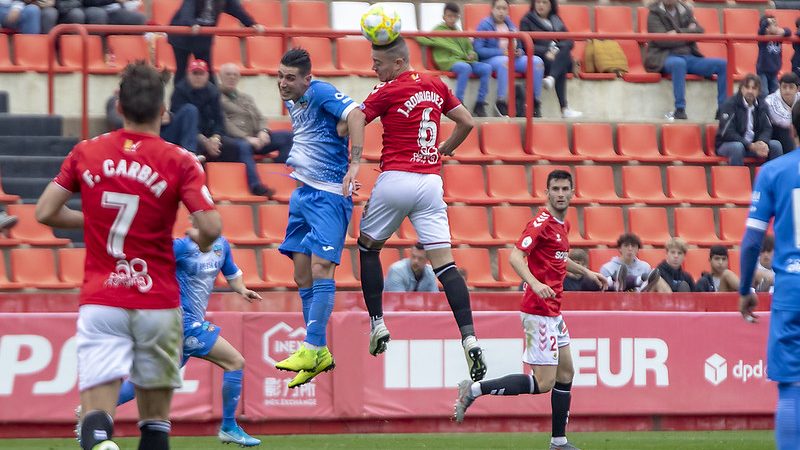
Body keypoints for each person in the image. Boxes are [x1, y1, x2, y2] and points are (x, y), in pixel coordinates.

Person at [35, 61, 221, 450]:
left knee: (96, 416)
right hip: (157, 303)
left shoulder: (86, 152)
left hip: (103, 299)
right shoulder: (181, 160)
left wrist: (94, 222)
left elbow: (45, 212)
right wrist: (203, 245)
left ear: (118, 106)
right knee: (155, 425)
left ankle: (102, 444)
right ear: (163, 111)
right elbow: (210, 229)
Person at [354, 37, 488, 383]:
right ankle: (469, 336)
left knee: (368, 248)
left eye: (378, 63)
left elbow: (354, 121)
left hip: (396, 178)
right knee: (446, 266)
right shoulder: (436, 85)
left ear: (397, 64)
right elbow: (468, 122)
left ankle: (377, 324)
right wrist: (444, 149)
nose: (374, 68)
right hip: (430, 183)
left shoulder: (387, 90)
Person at [453, 170, 606, 450]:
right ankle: (474, 390)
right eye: (555, 189)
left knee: (567, 372)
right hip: (538, 311)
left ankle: (558, 441)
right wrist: (534, 284)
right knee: (545, 382)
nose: (560, 193)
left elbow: (559, 258)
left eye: (565, 189)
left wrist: (586, 272)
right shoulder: (541, 223)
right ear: (546, 193)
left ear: (572, 193)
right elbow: (515, 256)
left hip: (553, 311)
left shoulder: (562, 225)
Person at [115, 229, 262, 447]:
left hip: (183, 325)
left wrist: (242, 289)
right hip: (182, 322)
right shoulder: (182, 247)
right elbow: (150, 266)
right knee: (235, 362)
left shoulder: (222, 245)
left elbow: (232, 273)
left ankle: (94, 411)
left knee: (149, 381)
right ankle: (229, 427)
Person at [272, 48, 363, 389]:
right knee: (300, 273)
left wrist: (355, 164)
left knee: (321, 268)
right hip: (302, 193)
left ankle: (311, 347)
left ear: (307, 79)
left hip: (328, 194)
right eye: (280, 76)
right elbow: (332, 125)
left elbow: (356, 115)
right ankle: (319, 349)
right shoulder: (295, 101)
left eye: (290, 78)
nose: (283, 83)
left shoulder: (320, 90)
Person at [739, 101, 800, 450]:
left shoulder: (775, 171)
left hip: (792, 287)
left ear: (792, 129)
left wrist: (746, 287)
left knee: (792, 385)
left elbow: (751, 242)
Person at [170, 59, 273, 196]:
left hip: (212, 139)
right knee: (193, 145)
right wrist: (205, 141)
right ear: (188, 74)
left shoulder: (213, 91)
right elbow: (182, 125)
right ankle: (194, 189)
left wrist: (215, 138)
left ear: (207, 75)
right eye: (195, 73)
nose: (198, 77)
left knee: (243, 146)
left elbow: (220, 121)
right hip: (190, 140)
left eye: (201, 74)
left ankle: (255, 186)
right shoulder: (180, 91)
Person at [645, 0, 727, 120]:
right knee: (679, 63)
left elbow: (699, 30)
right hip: (665, 56)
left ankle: (723, 110)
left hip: (689, 57)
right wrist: (688, 34)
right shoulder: (653, 14)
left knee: (723, 65)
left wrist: (678, 33)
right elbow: (661, 40)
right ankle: (680, 109)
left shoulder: (685, 10)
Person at [416, 2, 493, 117]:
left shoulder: (459, 32)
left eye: (454, 17)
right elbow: (426, 39)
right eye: (449, 16)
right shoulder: (438, 30)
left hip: (465, 60)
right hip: (449, 62)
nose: (452, 19)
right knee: (465, 68)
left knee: (487, 68)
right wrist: (413, 35)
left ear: (458, 17)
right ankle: (458, 102)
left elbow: (469, 49)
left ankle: (480, 103)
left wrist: (472, 54)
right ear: (444, 17)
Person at [473, 0, 544, 117]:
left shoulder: (510, 25)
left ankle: (534, 103)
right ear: (492, 9)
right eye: (498, 8)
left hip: (512, 58)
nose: (501, 12)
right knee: (505, 62)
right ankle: (501, 102)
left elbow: (520, 47)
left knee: (537, 62)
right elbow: (479, 50)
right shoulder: (484, 24)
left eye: (504, 9)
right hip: (492, 59)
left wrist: (519, 52)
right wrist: (503, 52)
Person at [168, 0, 264, 85]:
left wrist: (252, 24)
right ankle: (179, 102)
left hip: (203, 38)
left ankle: (212, 102)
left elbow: (237, 10)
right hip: (182, 37)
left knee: (207, 72)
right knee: (182, 71)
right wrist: (191, 23)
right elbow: (187, 10)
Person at [219, 63, 293, 163]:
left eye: (235, 75)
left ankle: (278, 168)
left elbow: (260, 118)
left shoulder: (246, 98)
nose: (232, 77)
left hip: (257, 138)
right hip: (236, 141)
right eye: (228, 74)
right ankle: (253, 177)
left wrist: (263, 131)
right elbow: (224, 123)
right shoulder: (216, 98)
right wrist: (246, 138)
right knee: (244, 146)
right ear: (221, 77)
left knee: (289, 137)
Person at [519, 0, 583, 119]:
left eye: (545, 2)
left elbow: (569, 41)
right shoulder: (527, 20)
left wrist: (554, 49)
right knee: (561, 64)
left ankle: (551, 78)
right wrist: (547, 50)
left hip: (556, 56)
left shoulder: (555, 19)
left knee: (564, 51)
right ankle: (564, 109)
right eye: (538, 2)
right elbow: (526, 45)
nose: (541, 5)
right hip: (542, 59)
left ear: (551, 5)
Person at [715, 74, 783, 166]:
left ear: (759, 91)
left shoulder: (762, 105)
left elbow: (767, 128)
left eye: (754, 88)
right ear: (741, 89)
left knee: (776, 145)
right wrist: (749, 145)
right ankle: (738, 179)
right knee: (737, 147)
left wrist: (762, 142)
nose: (750, 91)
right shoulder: (730, 104)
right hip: (728, 145)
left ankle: (773, 178)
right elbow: (727, 133)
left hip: (753, 145)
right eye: (747, 87)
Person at [764, 72, 800, 154]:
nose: (787, 90)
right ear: (779, 87)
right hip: (775, 134)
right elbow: (784, 122)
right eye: (784, 87)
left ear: (797, 89)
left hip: (793, 130)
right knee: (787, 131)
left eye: (791, 87)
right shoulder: (770, 101)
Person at [758, 15, 790, 96]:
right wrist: (768, 21)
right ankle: (762, 108)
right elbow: (761, 30)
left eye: (776, 25)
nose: (776, 27)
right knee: (764, 92)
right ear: (767, 28)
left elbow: (788, 31)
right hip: (763, 71)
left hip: (774, 71)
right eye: (773, 25)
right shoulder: (762, 37)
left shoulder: (779, 37)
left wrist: (781, 31)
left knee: (775, 93)